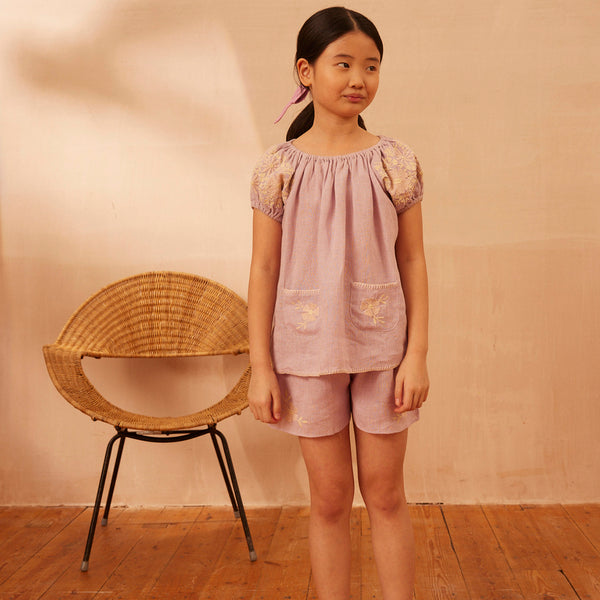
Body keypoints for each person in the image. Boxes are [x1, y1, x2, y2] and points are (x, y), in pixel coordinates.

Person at [247, 7, 429, 599]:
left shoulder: (394, 162)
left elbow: (413, 260)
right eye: (343, 64)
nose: (359, 79)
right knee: (328, 499)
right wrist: (261, 368)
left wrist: (417, 355)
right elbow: (264, 270)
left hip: (384, 352)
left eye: (371, 66)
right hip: (306, 352)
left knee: (386, 494)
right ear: (306, 71)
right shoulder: (278, 168)